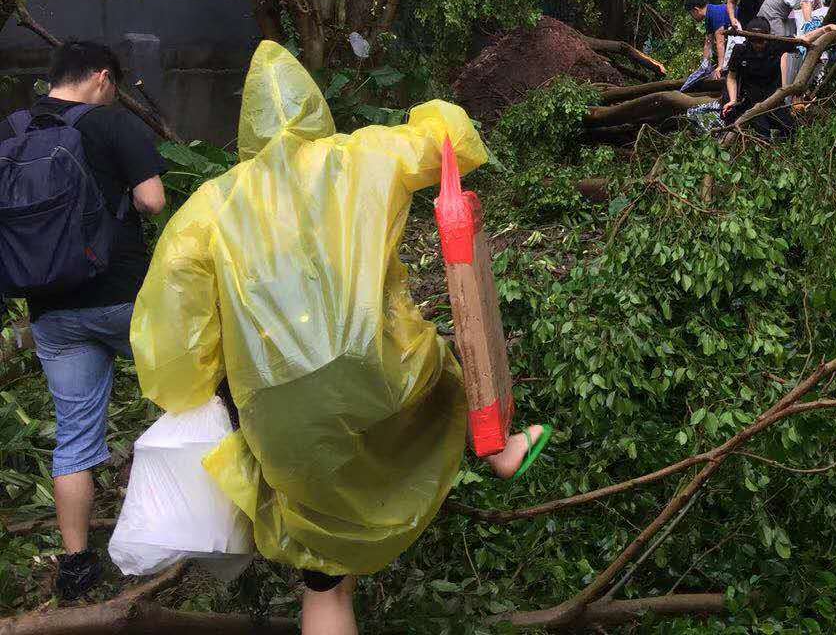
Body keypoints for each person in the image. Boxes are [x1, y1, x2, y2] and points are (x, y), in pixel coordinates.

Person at [131, 42, 549, 635]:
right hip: (385, 376)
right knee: (445, 377)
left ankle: (330, 579)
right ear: (314, 105)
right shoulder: (366, 155)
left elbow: (176, 338)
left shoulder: (208, 208)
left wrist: (199, 394)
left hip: (280, 409)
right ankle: (498, 447)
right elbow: (452, 133)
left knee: (322, 570)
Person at [0, 41, 166, 600]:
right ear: (101, 78)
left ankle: (75, 566)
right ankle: (194, 519)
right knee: (189, 392)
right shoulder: (110, 124)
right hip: (123, 298)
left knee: (73, 439)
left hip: (51, 309)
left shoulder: (12, 131)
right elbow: (153, 200)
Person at [680, 0, 733, 93]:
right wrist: (704, 65)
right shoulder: (709, 16)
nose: (692, 17)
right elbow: (708, 43)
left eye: (691, 14)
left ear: (696, 10)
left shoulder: (715, 13)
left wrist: (720, 67)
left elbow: (720, 42)